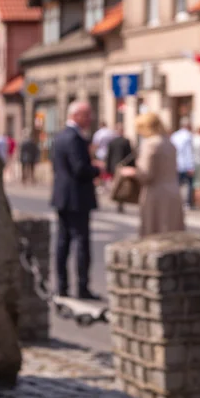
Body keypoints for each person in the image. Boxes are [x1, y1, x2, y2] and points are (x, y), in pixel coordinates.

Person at [50, 100, 102, 300]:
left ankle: (62, 286)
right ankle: (81, 287)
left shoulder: (61, 136)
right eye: (87, 115)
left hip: (62, 196)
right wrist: (97, 169)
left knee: (63, 242)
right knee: (80, 243)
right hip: (76, 198)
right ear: (76, 115)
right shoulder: (74, 138)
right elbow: (79, 169)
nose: (91, 119)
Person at [119, 113, 185, 237]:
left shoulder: (150, 144)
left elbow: (145, 174)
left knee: (154, 236)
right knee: (172, 235)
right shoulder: (169, 143)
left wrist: (132, 172)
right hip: (173, 192)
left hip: (156, 194)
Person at [105, 123, 134, 213]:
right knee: (121, 185)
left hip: (115, 166)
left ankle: (118, 200)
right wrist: (132, 166)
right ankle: (119, 200)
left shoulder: (112, 142)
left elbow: (109, 156)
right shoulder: (125, 141)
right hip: (123, 166)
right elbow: (130, 155)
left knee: (117, 184)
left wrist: (108, 167)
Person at [169, 117, 196, 209]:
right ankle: (187, 203)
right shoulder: (188, 136)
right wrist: (191, 166)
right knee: (189, 185)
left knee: (177, 184)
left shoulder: (175, 135)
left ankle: (176, 202)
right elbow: (188, 152)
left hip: (177, 164)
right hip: (185, 164)